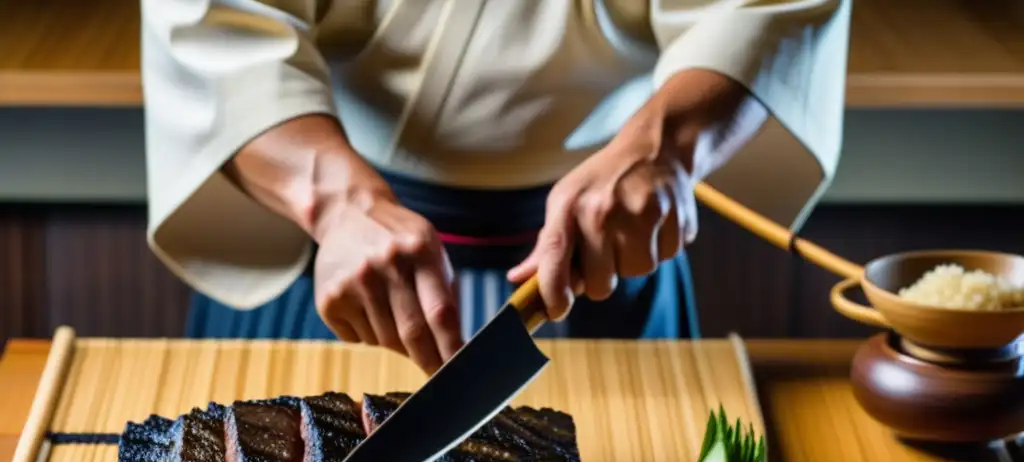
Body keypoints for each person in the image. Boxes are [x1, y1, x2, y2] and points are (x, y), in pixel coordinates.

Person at [141, 0, 850, 374]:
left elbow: (762, 8)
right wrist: (337, 202)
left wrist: (661, 146)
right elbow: (211, 19)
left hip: (604, 238)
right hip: (343, 254)